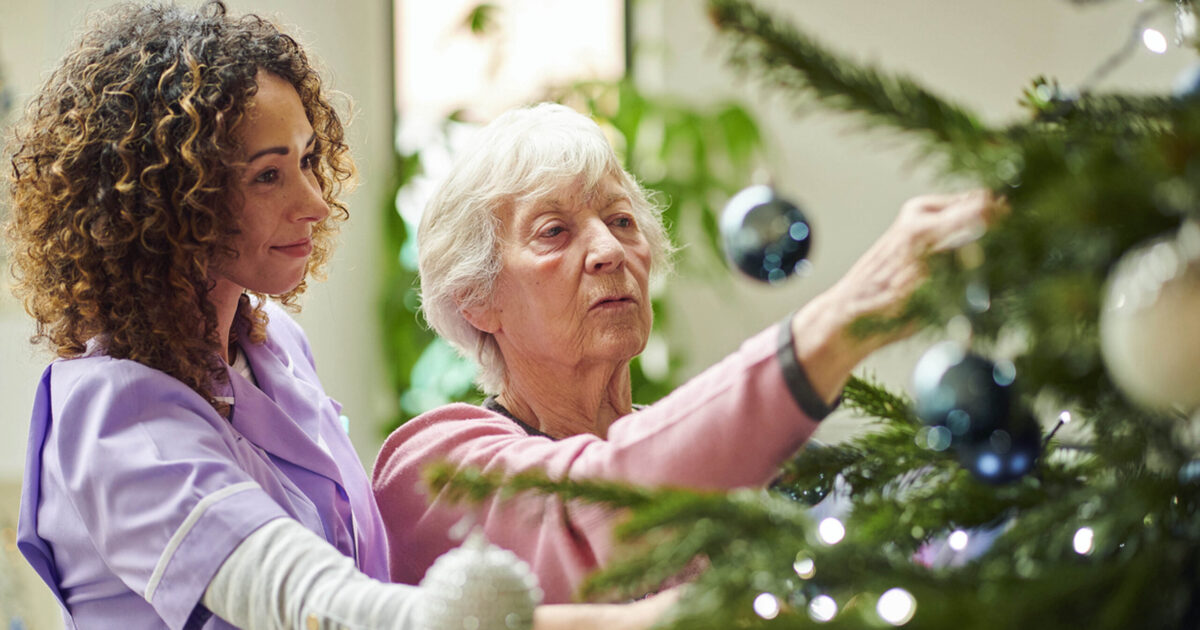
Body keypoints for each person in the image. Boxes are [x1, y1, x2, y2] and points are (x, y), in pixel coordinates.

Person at [4, 3, 674, 628]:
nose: (316, 202)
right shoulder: (116, 414)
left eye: (306, 161)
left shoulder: (276, 352)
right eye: (268, 175)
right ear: (173, 200)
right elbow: (308, 600)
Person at [371, 102, 1002, 603]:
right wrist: (841, 321)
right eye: (554, 231)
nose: (610, 251)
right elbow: (609, 505)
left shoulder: (710, 454)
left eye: (621, 221)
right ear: (476, 299)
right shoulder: (432, 467)